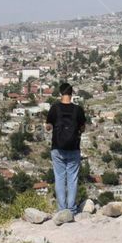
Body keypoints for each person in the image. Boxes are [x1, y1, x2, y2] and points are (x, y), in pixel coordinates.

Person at [45, 82, 87, 215]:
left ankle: (62, 210)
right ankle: (72, 209)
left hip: (57, 148)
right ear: (72, 93)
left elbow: (48, 126)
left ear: (60, 93)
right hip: (74, 148)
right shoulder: (78, 110)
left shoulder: (54, 108)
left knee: (59, 178)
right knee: (72, 179)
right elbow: (83, 128)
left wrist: (51, 127)